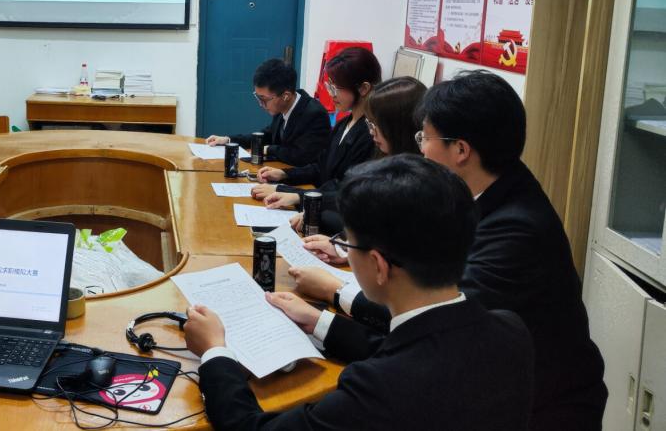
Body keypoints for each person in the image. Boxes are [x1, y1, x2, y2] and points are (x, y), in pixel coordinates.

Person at [288, 70, 607, 430]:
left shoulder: (517, 230)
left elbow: (435, 329)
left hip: (543, 409)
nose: (420, 149)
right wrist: (354, 254)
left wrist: (334, 297)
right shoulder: (489, 188)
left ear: (461, 150)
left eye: (424, 137)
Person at [184, 155, 535, 430]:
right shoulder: (511, 331)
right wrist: (319, 321)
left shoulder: (378, 391)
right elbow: (418, 351)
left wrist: (215, 351)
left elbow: (251, 427)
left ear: (379, 266)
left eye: (347, 243)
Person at [250, 47, 381, 231]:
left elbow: (346, 190)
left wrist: (295, 195)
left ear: (363, 88)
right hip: (322, 204)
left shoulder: (371, 134)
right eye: (329, 86)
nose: (331, 94)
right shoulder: (343, 124)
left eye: (336, 88)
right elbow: (320, 167)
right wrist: (285, 175)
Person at [285, 75, 427, 234]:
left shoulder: (413, 178)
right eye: (369, 123)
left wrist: (316, 212)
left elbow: (373, 226)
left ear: (398, 128)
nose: (371, 132)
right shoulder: (381, 155)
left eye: (376, 124)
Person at [206, 58, 329, 167]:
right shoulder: (283, 106)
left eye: (264, 99)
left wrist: (269, 149)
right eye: (258, 97)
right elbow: (266, 136)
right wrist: (228, 140)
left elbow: (302, 156)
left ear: (285, 96)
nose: (261, 104)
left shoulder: (315, 115)